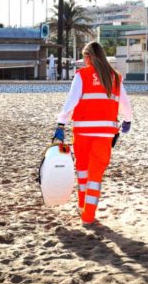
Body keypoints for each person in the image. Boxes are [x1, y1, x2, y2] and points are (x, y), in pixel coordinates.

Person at [53, 41, 133, 224]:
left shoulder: (83, 75)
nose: (83, 60)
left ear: (88, 57)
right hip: (105, 135)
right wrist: (127, 120)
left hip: (82, 133)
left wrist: (61, 123)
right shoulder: (115, 77)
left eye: (83, 56)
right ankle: (89, 215)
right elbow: (125, 104)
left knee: (82, 171)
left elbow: (71, 102)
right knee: (95, 176)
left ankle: (82, 206)